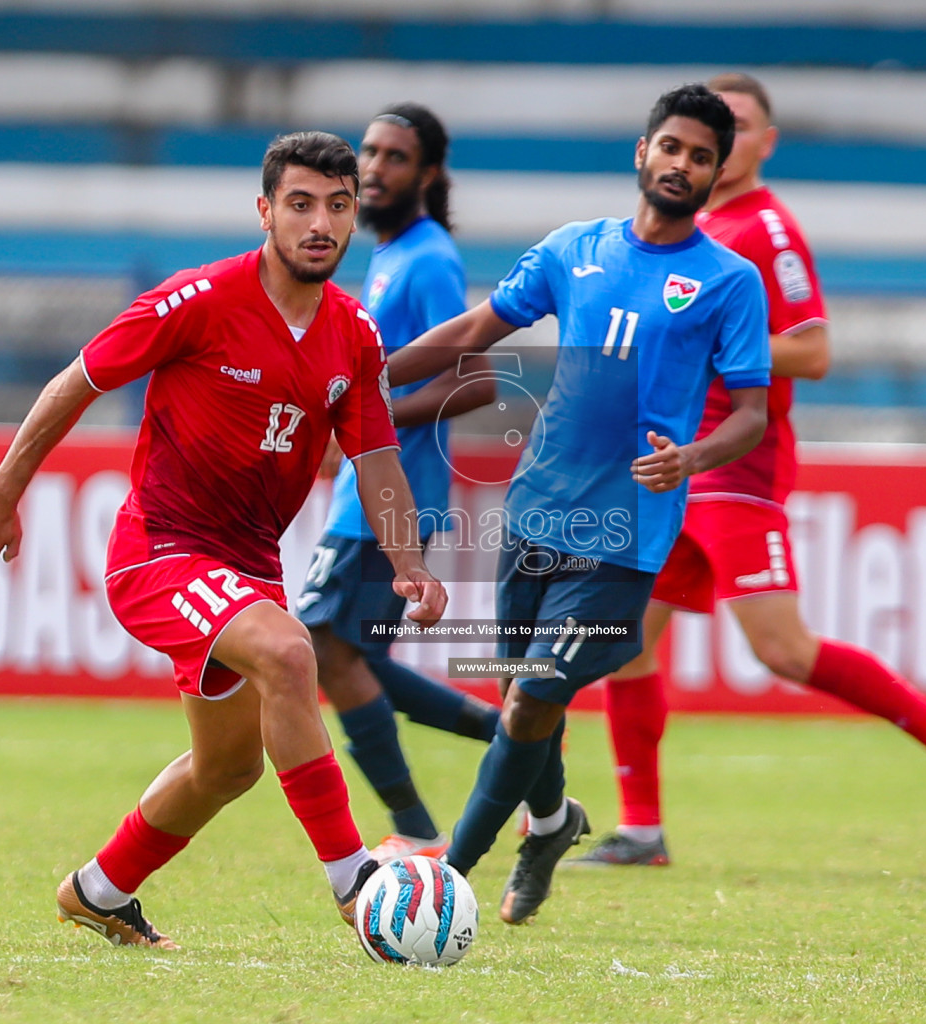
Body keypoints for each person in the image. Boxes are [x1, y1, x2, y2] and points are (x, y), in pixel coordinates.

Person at [0, 131, 449, 950]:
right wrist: (4, 491)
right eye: (300, 204)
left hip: (250, 567)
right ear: (265, 212)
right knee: (293, 654)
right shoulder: (197, 300)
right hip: (160, 550)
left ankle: (98, 890)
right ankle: (353, 880)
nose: (319, 223)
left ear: (354, 215)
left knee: (229, 768)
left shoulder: (353, 333)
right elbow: (77, 381)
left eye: (337, 205)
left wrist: (408, 564)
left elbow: (377, 454)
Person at [568, 73, 926, 870]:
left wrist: (712, 346)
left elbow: (814, 348)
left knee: (783, 650)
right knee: (625, 643)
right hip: (674, 469)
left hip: (736, 468)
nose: (717, 137)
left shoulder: (766, 229)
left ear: (760, 143)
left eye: (736, 125)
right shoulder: (694, 228)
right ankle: (642, 828)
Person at [386, 83, 771, 925]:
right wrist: (366, 380)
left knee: (533, 695)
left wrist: (694, 458)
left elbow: (752, 413)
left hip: (625, 533)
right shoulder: (575, 249)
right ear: (643, 153)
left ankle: (448, 876)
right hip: (533, 515)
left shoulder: (728, 281)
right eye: (671, 147)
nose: (683, 164)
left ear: (714, 174)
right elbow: (473, 332)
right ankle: (552, 825)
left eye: (702, 156)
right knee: (526, 696)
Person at [299, 103, 500, 864]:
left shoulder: (429, 260)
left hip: (394, 497)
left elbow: (476, 381)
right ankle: (514, 738)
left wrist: (359, 417)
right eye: (369, 153)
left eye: (394, 156)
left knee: (325, 648)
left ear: (429, 173)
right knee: (357, 657)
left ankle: (416, 826)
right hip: (372, 492)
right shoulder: (387, 257)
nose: (375, 167)